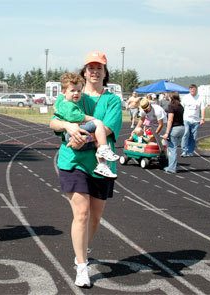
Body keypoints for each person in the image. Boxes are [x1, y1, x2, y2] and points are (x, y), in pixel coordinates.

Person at [49, 51, 122, 288]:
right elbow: (54, 121)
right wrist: (68, 126)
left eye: (99, 67)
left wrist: (82, 138)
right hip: (73, 162)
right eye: (90, 67)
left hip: (101, 165)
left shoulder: (111, 100)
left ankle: (82, 249)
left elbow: (109, 128)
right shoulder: (73, 94)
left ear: (105, 72)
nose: (94, 71)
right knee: (81, 213)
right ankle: (82, 266)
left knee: (95, 216)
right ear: (84, 72)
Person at [54, 72, 119, 178]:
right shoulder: (67, 104)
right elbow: (75, 117)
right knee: (98, 124)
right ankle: (104, 148)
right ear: (64, 92)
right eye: (73, 91)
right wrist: (92, 118)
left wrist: (85, 139)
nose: (76, 93)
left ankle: (102, 164)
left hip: (75, 136)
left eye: (79, 91)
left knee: (97, 142)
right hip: (72, 135)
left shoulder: (62, 101)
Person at [161, 92, 184, 173]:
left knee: (172, 149)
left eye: (169, 96)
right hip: (182, 128)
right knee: (174, 148)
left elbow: (170, 120)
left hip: (174, 129)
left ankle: (172, 168)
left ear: (171, 98)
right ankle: (173, 165)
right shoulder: (180, 106)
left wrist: (167, 132)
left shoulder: (171, 106)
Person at [180, 84, 206, 157]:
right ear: (189, 90)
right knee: (186, 134)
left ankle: (190, 151)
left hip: (196, 120)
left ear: (196, 90)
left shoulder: (200, 98)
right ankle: (184, 151)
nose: (192, 91)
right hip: (186, 119)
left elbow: (203, 109)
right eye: (191, 89)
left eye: (193, 89)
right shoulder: (185, 97)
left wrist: (202, 118)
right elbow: (181, 108)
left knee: (193, 136)